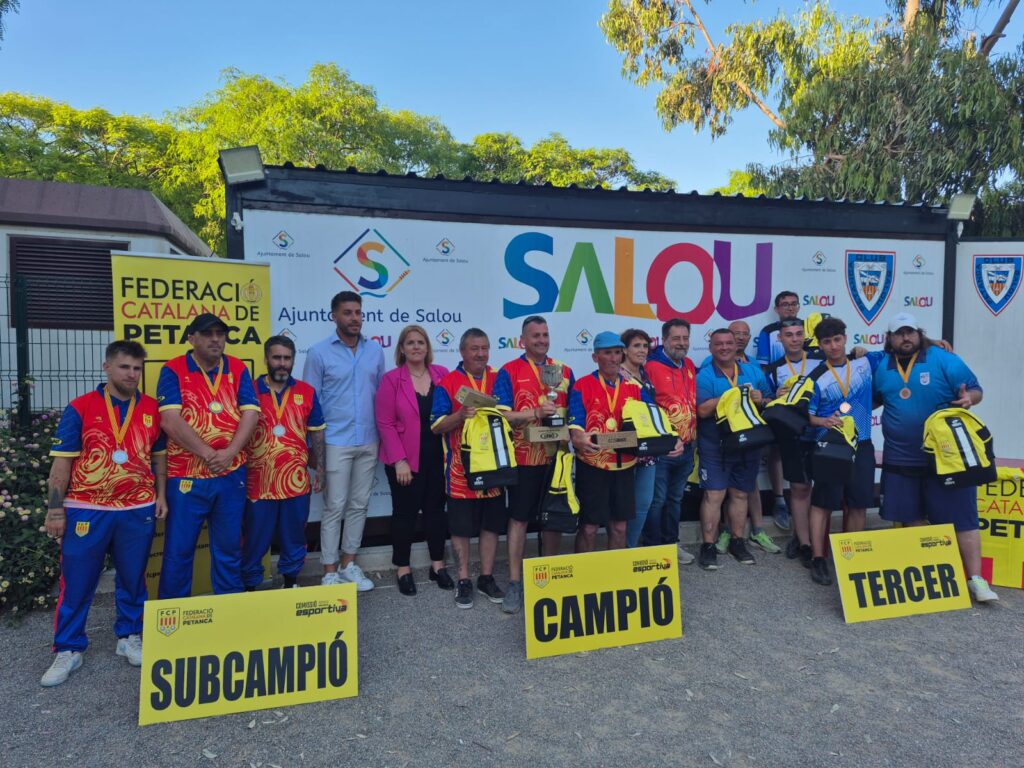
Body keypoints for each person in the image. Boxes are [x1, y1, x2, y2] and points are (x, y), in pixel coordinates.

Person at [41, 341, 166, 686]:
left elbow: (159, 459)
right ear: (106, 367)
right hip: (87, 508)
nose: (132, 374)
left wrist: (161, 495)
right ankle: (68, 647)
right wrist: (55, 510)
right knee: (77, 582)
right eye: (125, 367)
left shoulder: (151, 409)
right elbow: (61, 464)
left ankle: (129, 636)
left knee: (133, 577)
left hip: (137, 508)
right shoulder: (81, 407)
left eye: (137, 368)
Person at [866, 312, 998, 602]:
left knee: (963, 518)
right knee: (909, 516)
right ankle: (935, 574)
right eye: (899, 333)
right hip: (901, 456)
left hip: (947, 456)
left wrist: (969, 399)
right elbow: (873, 398)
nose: (905, 337)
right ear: (890, 338)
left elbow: (975, 389)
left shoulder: (943, 358)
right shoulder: (881, 365)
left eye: (910, 332)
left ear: (919, 333)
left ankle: (977, 580)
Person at [157, 313, 259, 598]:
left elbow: (251, 414)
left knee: (229, 548)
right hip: (187, 475)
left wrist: (230, 453)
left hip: (230, 473)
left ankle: (230, 609)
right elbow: (170, 421)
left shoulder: (237, 367)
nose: (216, 339)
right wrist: (209, 454)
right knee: (179, 551)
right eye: (207, 334)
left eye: (220, 334)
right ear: (192, 338)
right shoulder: (173, 369)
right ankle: (174, 613)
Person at [303, 290, 385, 591]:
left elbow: (382, 397)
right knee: (334, 506)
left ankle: (349, 564)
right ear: (334, 316)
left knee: (359, 505)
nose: (354, 318)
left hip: (369, 439)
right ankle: (329, 570)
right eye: (348, 313)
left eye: (358, 312)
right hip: (335, 440)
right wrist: (313, 449)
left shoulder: (375, 351)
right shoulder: (318, 353)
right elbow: (309, 403)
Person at [493, 315, 574, 614]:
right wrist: (535, 413)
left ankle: (550, 575)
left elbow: (574, 413)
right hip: (524, 458)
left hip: (556, 457)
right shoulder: (509, 371)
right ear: (523, 340)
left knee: (553, 517)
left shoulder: (564, 371)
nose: (542, 340)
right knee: (518, 519)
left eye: (545, 335)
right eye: (535, 335)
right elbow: (502, 415)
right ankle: (515, 582)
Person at [431, 328, 508, 609]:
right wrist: (460, 415)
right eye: (474, 349)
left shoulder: (500, 377)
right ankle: (463, 579)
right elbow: (436, 426)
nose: (481, 354)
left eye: (484, 348)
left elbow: (509, 413)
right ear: (462, 351)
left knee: (491, 525)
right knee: (461, 528)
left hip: (494, 465)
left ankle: (486, 577)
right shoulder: (448, 383)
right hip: (460, 469)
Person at [242, 336, 326, 591]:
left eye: (287, 358)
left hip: (295, 482)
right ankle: (250, 589)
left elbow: (317, 433)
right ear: (266, 359)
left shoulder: (306, 392)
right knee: (254, 539)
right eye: (276, 358)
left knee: (294, 536)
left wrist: (321, 468)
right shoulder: (248, 390)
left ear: (293, 360)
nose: (282, 363)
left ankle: (290, 584)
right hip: (258, 483)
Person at [375, 325, 451, 595]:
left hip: (438, 457)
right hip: (405, 459)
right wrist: (399, 460)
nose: (416, 347)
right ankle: (403, 568)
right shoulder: (392, 379)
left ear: (427, 347)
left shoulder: (442, 374)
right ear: (402, 349)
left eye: (421, 342)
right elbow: (385, 423)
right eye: (410, 343)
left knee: (435, 512)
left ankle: (438, 565)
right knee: (404, 515)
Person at [747, 318, 824, 559]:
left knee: (822, 490)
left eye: (798, 334)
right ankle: (803, 542)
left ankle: (816, 540)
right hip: (793, 437)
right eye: (788, 335)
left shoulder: (821, 360)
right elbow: (766, 403)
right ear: (780, 339)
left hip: (822, 433)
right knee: (799, 489)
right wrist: (774, 397)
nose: (794, 339)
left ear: (805, 336)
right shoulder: (773, 369)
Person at [804, 317, 873, 586]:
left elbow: (901, 348)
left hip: (861, 442)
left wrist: (935, 343)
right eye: (827, 342)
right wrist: (822, 421)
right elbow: (806, 416)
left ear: (845, 338)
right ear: (820, 345)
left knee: (858, 503)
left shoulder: (865, 363)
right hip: (830, 446)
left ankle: (851, 557)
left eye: (837, 340)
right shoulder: (814, 377)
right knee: (823, 503)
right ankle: (818, 558)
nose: (833, 346)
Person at [695, 329, 771, 570]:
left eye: (729, 343)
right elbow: (702, 410)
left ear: (736, 346)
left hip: (748, 444)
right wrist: (732, 395)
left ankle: (738, 542)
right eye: (719, 344)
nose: (725, 347)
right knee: (714, 496)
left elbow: (770, 401)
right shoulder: (705, 375)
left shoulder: (753, 372)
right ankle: (708, 545)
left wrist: (760, 399)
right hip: (715, 446)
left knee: (740, 494)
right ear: (711, 348)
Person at [644, 319, 698, 563]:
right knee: (657, 501)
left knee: (675, 499)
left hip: (687, 447)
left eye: (685, 338)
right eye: (676, 338)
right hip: (663, 449)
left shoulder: (689, 364)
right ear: (664, 340)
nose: (681, 343)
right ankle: (653, 549)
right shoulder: (651, 366)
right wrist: (667, 439)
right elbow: (648, 408)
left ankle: (671, 544)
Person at [756, 291, 802, 529]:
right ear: (776, 309)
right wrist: (772, 396)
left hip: (807, 402)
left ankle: (804, 501)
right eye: (785, 305)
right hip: (779, 400)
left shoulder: (807, 329)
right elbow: (764, 370)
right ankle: (779, 500)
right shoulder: (768, 332)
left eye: (793, 304)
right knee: (776, 450)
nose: (789, 308)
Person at [619, 329, 659, 548]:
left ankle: (631, 549)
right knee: (623, 505)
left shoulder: (645, 373)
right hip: (626, 447)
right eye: (636, 345)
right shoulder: (617, 375)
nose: (642, 350)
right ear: (624, 350)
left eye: (645, 346)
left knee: (643, 503)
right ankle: (619, 552)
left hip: (648, 448)